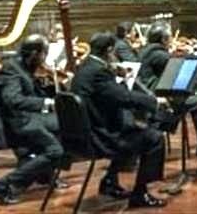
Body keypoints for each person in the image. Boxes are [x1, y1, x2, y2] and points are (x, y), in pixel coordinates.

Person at [71, 32, 168, 209]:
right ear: (109, 51)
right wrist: (154, 101)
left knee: (132, 127)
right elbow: (122, 97)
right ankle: (140, 193)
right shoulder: (99, 72)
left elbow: (107, 93)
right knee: (155, 138)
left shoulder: (86, 66)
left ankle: (109, 181)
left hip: (85, 133)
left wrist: (116, 73)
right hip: (100, 137)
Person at [0, 35, 63, 204]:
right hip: (19, 123)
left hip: (29, 118)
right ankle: (3, 183)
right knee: (56, 150)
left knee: (65, 126)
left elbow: (31, 91)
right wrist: (46, 103)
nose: (44, 58)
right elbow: (12, 99)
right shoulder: (11, 68)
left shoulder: (24, 66)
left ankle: (44, 173)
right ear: (35, 53)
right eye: (44, 53)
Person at [136, 23, 197, 156]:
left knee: (195, 99)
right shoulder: (158, 54)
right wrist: (189, 55)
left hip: (148, 94)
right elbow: (177, 70)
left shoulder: (146, 51)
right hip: (159, 97)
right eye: (169, 37)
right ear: (164, 39)